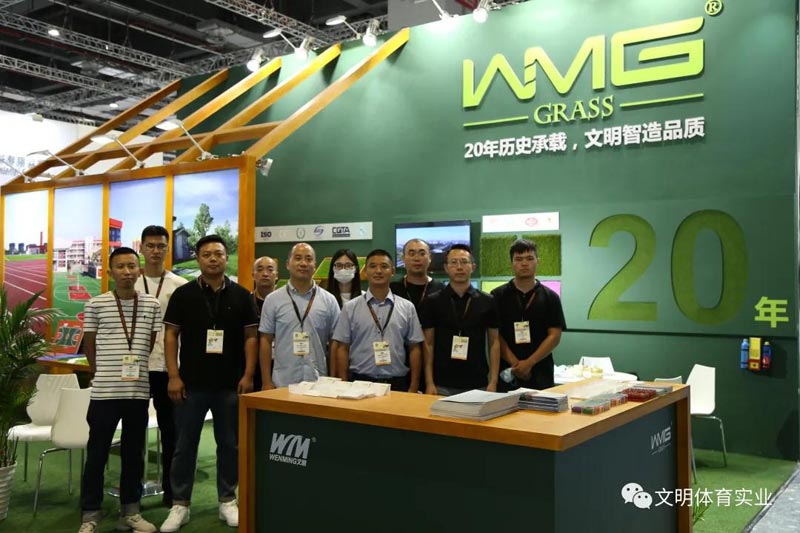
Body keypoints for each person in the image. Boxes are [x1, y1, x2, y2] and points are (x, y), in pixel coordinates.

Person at [160, 235, 259, 532]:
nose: (213, 259)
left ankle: (227, 500)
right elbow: (170, 336)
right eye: (206, 254)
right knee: (184, 446)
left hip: (230, 385)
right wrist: (173, 375)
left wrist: (248, 375)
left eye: (218, 253)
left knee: (229, 445)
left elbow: (251, 337)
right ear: (198, 258)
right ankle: (180, 504)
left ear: (227, 258)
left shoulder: (242, 295)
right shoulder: (183, 294)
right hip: (190, 385)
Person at [79, 247, 161, 533]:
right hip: (104, 393)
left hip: (137, 393)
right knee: (97, 454)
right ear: (110, 272)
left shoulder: (151, 304)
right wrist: (101, 372)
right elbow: (89, 345)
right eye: (121, 267)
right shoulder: (96, 304)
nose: (127, 272)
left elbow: (150, 342)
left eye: (132, 266)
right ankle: (90, 513)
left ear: (139, 270)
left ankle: (130, 511)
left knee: (134, 454)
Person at [133, 225, 187, 507]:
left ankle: (172, 491)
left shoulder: (180, 285)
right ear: (142, 248)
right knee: (134, 431)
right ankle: (132, 492)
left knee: (171, 432)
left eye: (161, 246)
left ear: (167, 249)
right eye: (150, 246)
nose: (156, 251)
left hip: (169, 369)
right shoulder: (130, 283)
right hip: (136, 369)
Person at [333, 249, 424, 392]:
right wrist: (344, 383)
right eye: (373, 266)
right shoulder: (350, 308)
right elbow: (342, 348)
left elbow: (415, 348)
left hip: (397, 384)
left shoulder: (407, 307)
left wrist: (414, 386)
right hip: (359, 383)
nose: (378, 271)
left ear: (392, 271)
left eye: (384, 266)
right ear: (365, 272)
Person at [419, 244, 500, 396]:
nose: (459, 267)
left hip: (478, 382)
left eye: (464, 262)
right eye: (454, 262)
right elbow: (428, 344)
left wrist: (493, 381)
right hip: (442, 383)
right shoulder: (433, 301)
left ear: (473, 266)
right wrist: (429, 383)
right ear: (446, 267)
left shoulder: (487, 301)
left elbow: (494, 342)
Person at [259, 243, 340, 389]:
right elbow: (265, 340)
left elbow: (335, 343)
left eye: (308, 259)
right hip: (282, 383)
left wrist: (333, 379)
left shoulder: (329, 301)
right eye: (298, 258)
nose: (303, 263)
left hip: (318, 384)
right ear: (288, 264)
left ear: (314, 266)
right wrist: (266, 381)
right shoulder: (273, 300)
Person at [491, 239, 566, 391]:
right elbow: (494, 335)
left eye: (529, 258)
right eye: (519, 259)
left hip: (541, 372)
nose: (524, 264)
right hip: (507, 372)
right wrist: (516, 364)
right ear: (511, 263)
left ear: (538, 261)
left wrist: (529, 363)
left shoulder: (550, 297)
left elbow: (554, 336)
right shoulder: (497, 296)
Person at [390, 238, 445, 310]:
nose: (417, 258)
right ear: (403, 258)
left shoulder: (441, 290)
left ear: (430, 258)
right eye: (412, 254)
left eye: (422, 254)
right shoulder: (392, 290)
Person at [251, 256, 279, 391]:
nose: (265, 274)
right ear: (253, 275)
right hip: (251, 366)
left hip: (280, 366)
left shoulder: (285, 303)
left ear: (277, 275)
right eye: (260, 269)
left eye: (270, 269)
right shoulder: (245, 302)